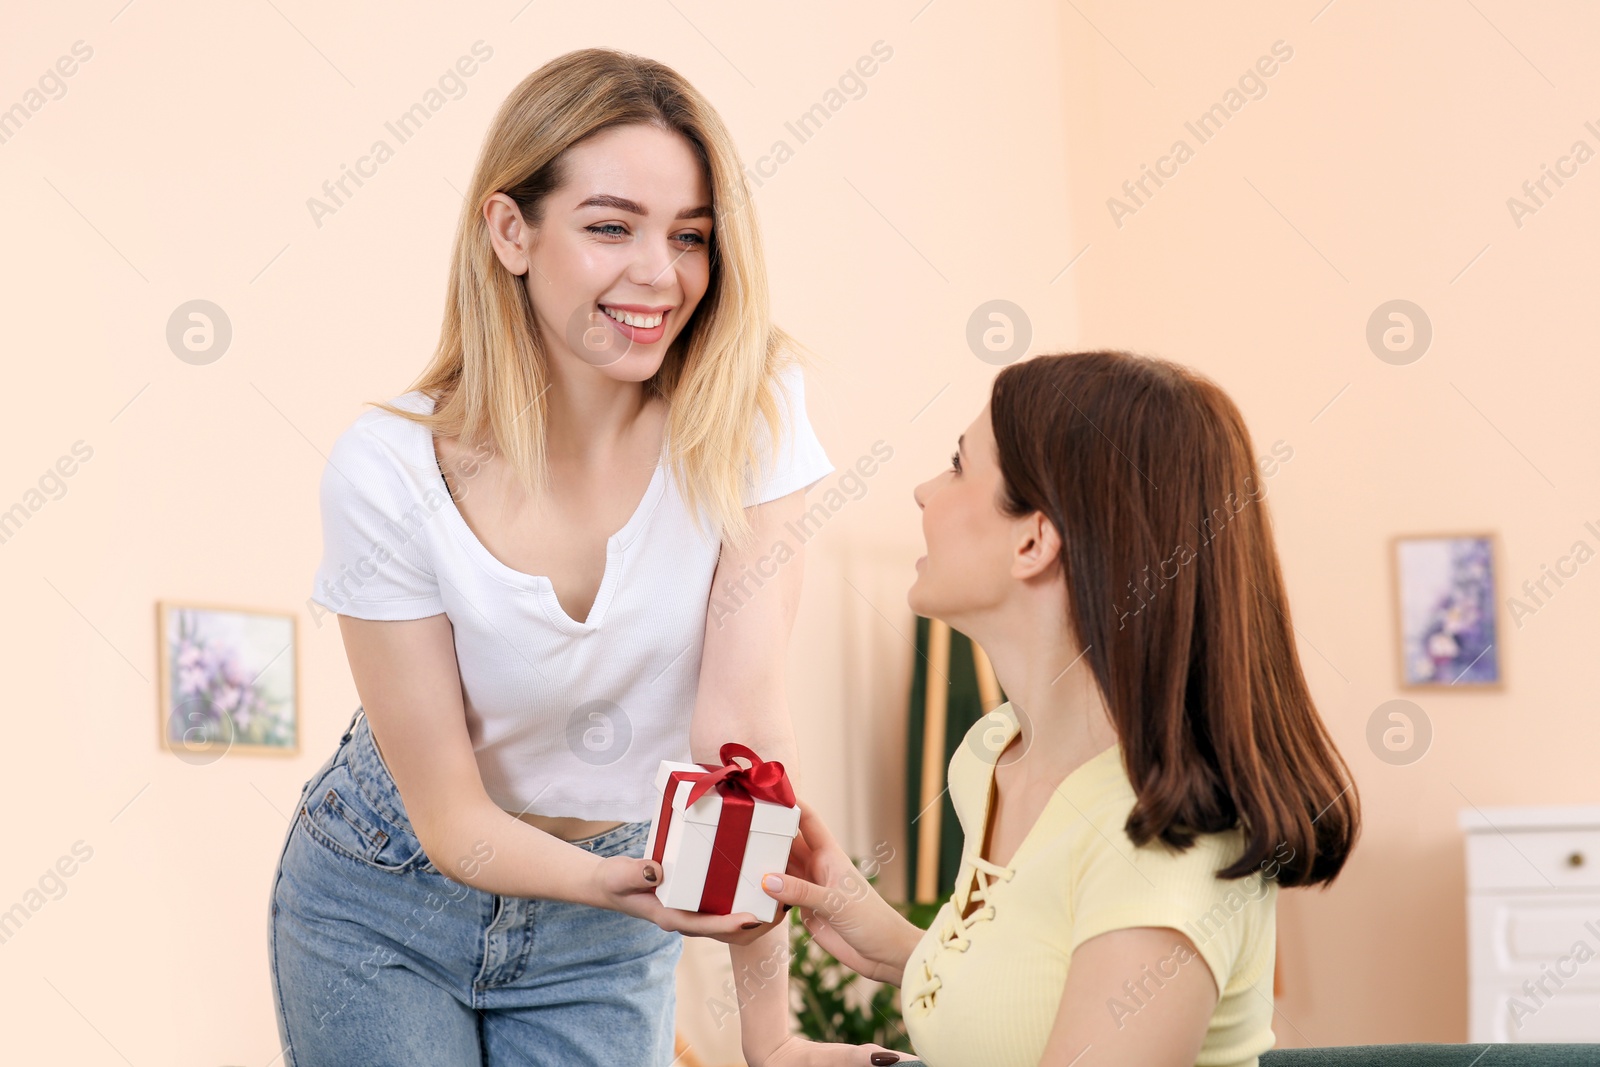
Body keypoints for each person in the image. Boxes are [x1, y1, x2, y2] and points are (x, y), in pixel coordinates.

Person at [268, 48, 902, 1067]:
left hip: (610, 908)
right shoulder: (388, 466)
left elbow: (739, 739)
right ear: (510, 231)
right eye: (610, 226)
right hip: (383, 896)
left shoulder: (749, 415)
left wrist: (767, 1033)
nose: (659, 272)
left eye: (690, 236)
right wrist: (624, 883)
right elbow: (449, 817)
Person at [761, 350, 1361, 1067]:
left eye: (957, 465)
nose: (924, 491)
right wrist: (888, 940)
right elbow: (1036, 998)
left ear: (1033, 539)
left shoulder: (1162, 838)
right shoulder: (992, 755)